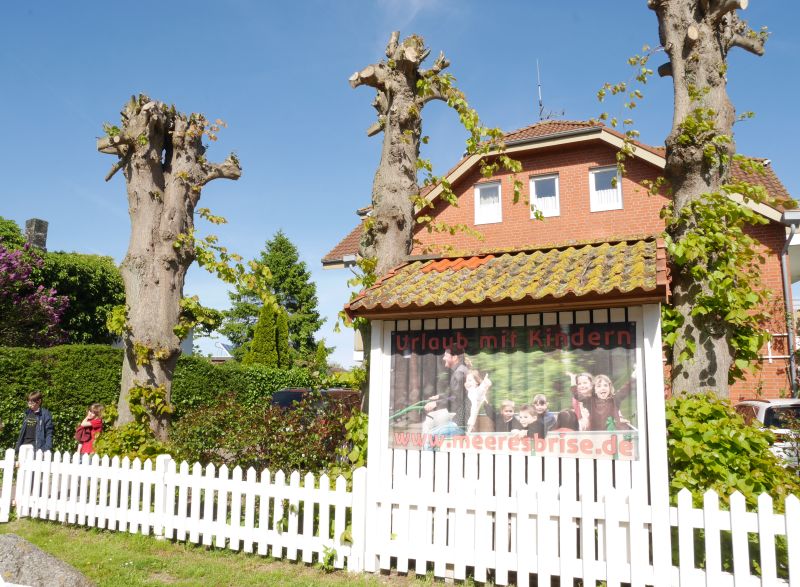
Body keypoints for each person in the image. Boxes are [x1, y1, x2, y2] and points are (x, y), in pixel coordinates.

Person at [424, 348, 470, 433]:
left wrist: (436, 403)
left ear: (454, 357)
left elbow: (455, 398)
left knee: (429, 425)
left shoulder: (459, 373)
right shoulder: (460, 370)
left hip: (459, 418)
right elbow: (454, 394)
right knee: (430, 419)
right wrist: (439, 396)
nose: (443, 358)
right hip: (457, 414)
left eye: (446, 355)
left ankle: (428, 445)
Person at [464, 369, 492, 433]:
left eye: (470, 380)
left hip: (478, 401)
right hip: (474, 405)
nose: (467, 382)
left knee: (473, 411)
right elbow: (467, 385)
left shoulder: (478, 392)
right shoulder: (470, 388)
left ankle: (469, 429)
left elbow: (482, 388)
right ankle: (469, 428)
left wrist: (485, 383)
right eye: (467, 380)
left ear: (476, 382)